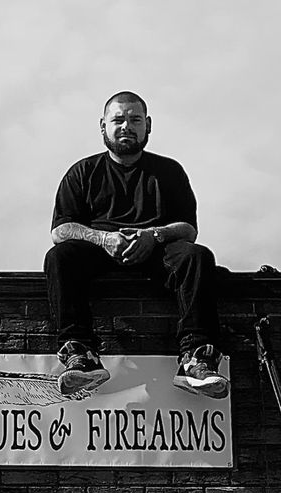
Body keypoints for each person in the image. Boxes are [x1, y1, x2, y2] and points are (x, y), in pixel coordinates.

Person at [44, 90, 229, 398]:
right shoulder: (82, 172)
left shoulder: (169, 172)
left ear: (148, 125)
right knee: (60, 257)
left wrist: (152, 236)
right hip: (99, 252)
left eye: (135, 119)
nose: (126, 126)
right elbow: (61, 230)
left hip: (156, 251)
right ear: (103, 127)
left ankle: (195, 359)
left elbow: (187, 229)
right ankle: (80, 355)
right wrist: (103, 238)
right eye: (118, 120)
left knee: (196, 256)